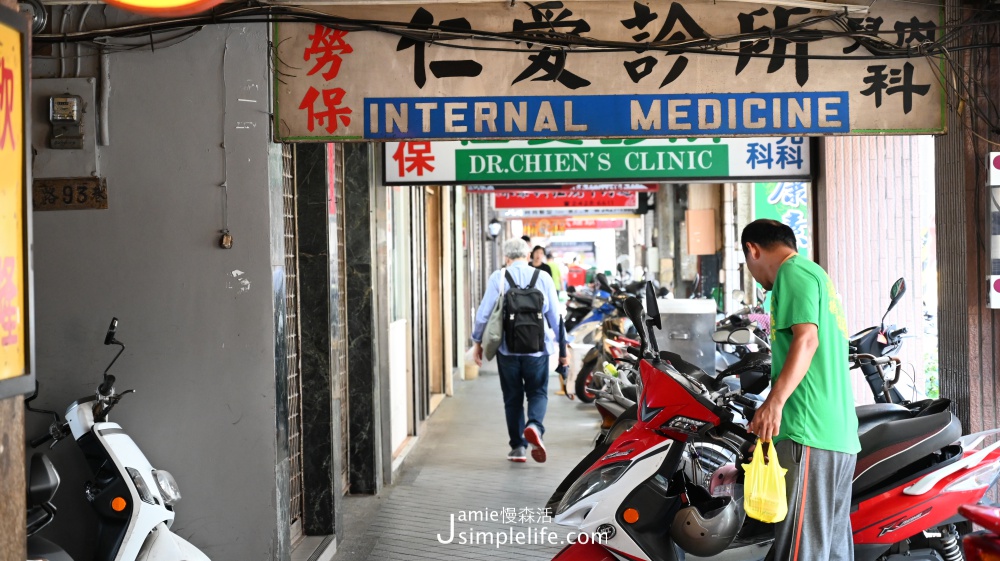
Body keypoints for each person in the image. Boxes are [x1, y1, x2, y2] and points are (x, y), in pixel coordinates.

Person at [741, 219, 859, 561]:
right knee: (829, 549)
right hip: (838, 435)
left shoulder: (791, 274)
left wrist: (774, 403)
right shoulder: (816, 275)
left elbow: (807, 339)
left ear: (753, 249)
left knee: (801, 551)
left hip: (809, 431)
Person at [471, 238, 567, 463]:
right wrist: (563, 347)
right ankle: (534, 425)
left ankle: (517, 448)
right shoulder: (542, 277)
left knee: (512, 398)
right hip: (538, 350)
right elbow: (555, 315)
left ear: (506, 257)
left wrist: (477, 341)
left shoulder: (499, 277)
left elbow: (484, 313)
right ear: (527, 255)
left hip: (508, 349)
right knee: (538, 392)